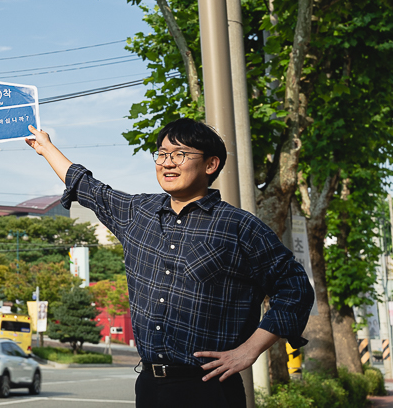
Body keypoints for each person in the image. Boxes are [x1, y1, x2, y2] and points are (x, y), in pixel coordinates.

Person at [25, 118, 313, 408]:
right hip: (151, 387)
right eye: (162, 154)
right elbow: (88, 187)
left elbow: (295, 288)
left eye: (180, 155)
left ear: (210, 165)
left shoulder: (239, 226)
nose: (167, 163)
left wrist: (249, 350)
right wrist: (46, 148)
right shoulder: (138, 212)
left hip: (210, 389)